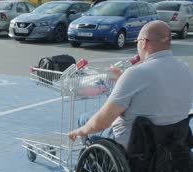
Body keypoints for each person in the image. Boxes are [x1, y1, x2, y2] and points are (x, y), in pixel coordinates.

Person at [68, 21, 193, 149]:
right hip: (171, 142)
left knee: (84, 120)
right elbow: (155, 95)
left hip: (136, 145)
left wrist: (81, 131)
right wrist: (122, 80)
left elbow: (103, 121)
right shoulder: (185, 69)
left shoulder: (136, 73)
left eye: (137, 41)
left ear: (144, 42)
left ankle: (92, 166)